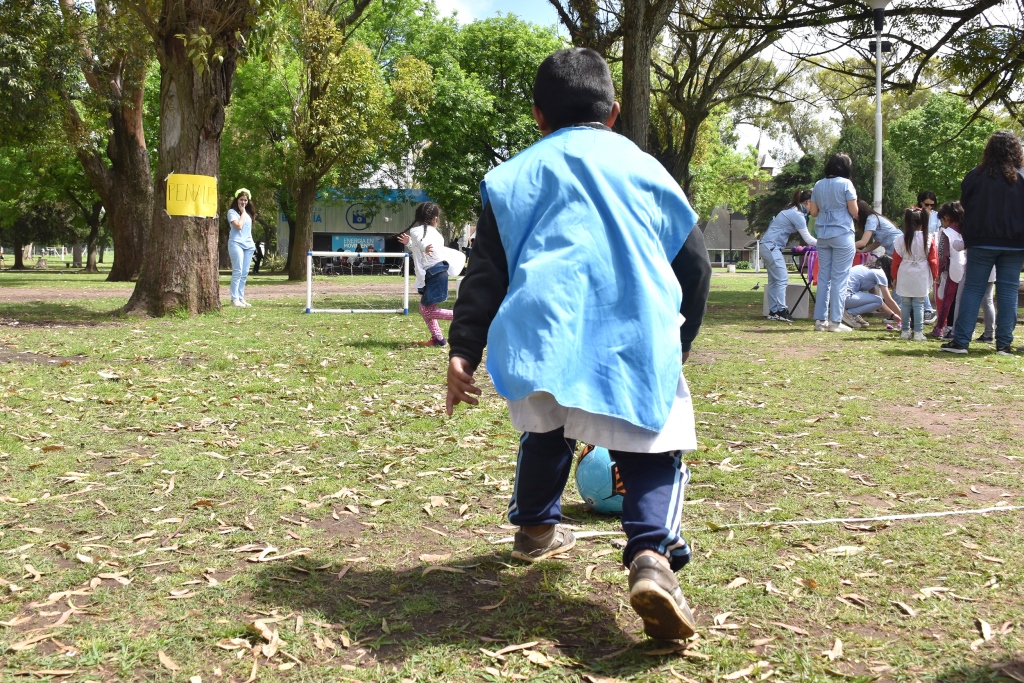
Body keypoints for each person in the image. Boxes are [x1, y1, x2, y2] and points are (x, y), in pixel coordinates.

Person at [446, 48, 712, 642]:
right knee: (651, 447)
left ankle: (535, 529)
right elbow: (694, 261)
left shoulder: (510, 177)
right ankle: (651, 558)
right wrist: (683, 337)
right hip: (633, 330)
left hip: (542, 329)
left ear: (538, 117)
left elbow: (485, 272)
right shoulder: (646, 168)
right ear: (614, 113)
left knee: (546, 431)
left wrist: (463, 349)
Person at [942, 130, 1024, 355]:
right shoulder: (1022, 176)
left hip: (981, 240)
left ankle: (961, 342)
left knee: (973, 290)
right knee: (1008, 292)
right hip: (1015, 243)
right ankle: (1004, 344)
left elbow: (965, 205)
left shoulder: (975, 175)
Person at [808, 154, 859, 332]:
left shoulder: (818, 184)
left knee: (823, 278)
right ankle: (836, 322)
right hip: (843, 233)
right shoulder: (846, 184)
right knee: (840, 279)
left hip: (823, 235)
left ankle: (820, 321)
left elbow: (813, 212)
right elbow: (854, 211)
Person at [398, 202, 453, 346]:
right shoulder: (434, 234)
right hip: (436, 272)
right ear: (435, 219)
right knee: (426, 309)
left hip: (435, 272)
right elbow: (420, 248)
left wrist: (423, 246)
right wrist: (411, 244)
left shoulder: (417, 232)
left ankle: (463, 317)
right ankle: (439, 339)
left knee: (426, 310)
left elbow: (423, 243)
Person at [759, 189, 816, 322]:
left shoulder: (792, 210)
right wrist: (827, 244)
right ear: (808, 202)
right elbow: (808, 239)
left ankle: (774, 311)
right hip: (771, 246)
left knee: (774, 280)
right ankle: (781, 310)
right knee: (782, 278)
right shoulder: (797, 214)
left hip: (768, 246)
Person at [892, 208, 938, 341]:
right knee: (919, 303)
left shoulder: (900, 239)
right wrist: (935, 275)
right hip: (921, 272)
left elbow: (896, 261)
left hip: (905, 271)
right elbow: (933, 259)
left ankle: (905, 331)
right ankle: (918, 332)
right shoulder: (928, 238)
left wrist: (895, 277)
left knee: (905, 303)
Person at [930, 202, 965, 338]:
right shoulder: (965, 230)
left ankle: (940, 327)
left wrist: (938, 271)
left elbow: (942, 255)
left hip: (952, 269)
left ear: (947, 217)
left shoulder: (946, 233)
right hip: (966, 267)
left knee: (947, 300)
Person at [841, 260, 901, 329]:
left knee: (878, 300)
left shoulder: (868, 270)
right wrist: (905, 319)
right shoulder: (880, 273)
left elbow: (878, 302)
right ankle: (850, 313)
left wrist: (893, 315)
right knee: (878, 300)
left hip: (839, 296)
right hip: (846, 297)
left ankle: (851, 313)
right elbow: (888, 300)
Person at [227, 188, 256, 308]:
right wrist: (243, 212)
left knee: (244, 273)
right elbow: (238, 226)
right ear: (236, 200)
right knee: (237, 271)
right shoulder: (232, 212)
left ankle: (240, 297)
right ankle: (234, 299)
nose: (243, 202)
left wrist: (245, 212)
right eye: (241, 199)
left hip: (248, 246)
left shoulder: (249, 214)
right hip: (236, 244)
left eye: (245, 200)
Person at [916, 191, 940, 323]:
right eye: (927, 205)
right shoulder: (916, 215)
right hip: (919, 248)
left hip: (933, 248)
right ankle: (927, 309)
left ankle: (928, 309)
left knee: (930, 280)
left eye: (932, 205)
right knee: (921, 280)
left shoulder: (936, 216)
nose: (930, 208)